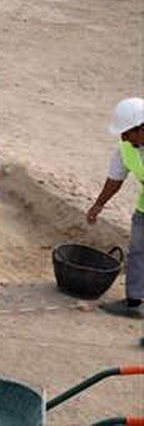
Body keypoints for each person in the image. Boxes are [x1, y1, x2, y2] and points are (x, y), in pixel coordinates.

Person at [86, 97, 144, 319]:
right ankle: (134, 302)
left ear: (141, 128)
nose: (122, 136)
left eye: (127, 131)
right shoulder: (126, 148)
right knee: (138, 251)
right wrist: (98, 204)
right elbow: (115, 179)